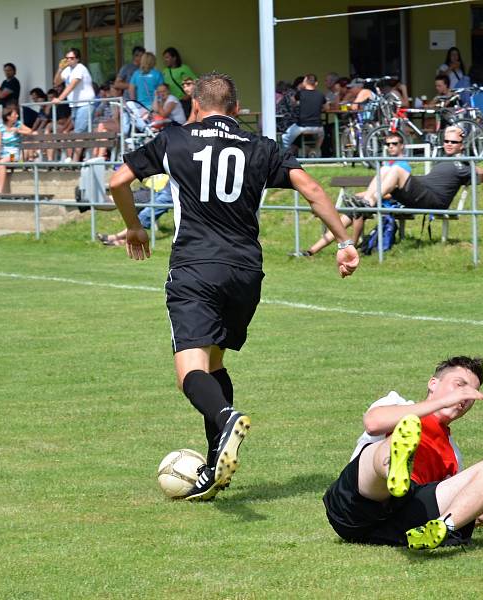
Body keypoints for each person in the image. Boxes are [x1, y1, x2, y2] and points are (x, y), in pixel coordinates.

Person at [108, 72, 360, 501]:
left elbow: (117, 180)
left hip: (195, 267)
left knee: (189, 372)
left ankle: (225, 418)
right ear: (237, 108)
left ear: (197, 104)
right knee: (214, 364)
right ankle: (213, 467)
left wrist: (134, 227)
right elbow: (312, 189)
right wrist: (345, 241)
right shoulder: (260, 147)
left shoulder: (174, 139)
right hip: (245, 272)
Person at [323, 356, 483, 549]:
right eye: (460, 385)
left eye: (471, 393)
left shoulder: (454, 456)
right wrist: (442, 402)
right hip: (358, 503)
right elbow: (373, 424)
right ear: (433, 383)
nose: (465, 397)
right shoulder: (397, 404)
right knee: (398, 435)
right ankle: (394, 470)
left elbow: (437, 500)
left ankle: (443, 527)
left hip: (401, 522)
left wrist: (478, 516)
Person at [302, 131, 411, 255]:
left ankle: (352, 247)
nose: (390, 146)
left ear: (402, 145)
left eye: (394, 143)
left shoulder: (402, 166)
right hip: (374, 202)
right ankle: (311, 251)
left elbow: (394, 193)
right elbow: (377, 189)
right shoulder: (386, 164)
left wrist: (364, 196)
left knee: (357, 208)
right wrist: (363, 195)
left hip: (389, 203)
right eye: (388, 144)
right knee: (341, 221)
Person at [345, 125, 483, 212]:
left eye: (454, 142)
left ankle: (369, 202)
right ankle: (367, 200)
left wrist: (472, 164)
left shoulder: (463, 164)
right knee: (384, 169)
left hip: (433, 201)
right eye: (446, 141)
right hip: (420, 194)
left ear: (462, 145)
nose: (449, 144)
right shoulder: (441, 159)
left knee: (396, 169)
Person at [97, 175, 173, 245]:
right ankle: (123, 239)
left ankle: (116, 237)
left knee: (145, 214)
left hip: (165, 191)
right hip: (161, 189)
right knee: (141, 211)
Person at [54, 48, 95, 161]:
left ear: (77, 59)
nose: (69, 60)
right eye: (67, 58)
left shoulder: (80, 68)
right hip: (75, 105)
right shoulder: (67, 70)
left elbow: (72, 85)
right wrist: (60, 69)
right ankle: (78, 158)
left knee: (79, 133)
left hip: (85, 104)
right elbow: (56, 82)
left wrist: (59, 99)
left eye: (71, 58)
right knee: (77, 132)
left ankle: (74, 161)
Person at [0, 106, 33, 194]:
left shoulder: (18, 124)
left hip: (13, 155)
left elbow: (30, 131)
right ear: (8, 117)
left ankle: (0, 192)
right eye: (15, 114)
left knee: (2, 163)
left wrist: (18, 130)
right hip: (2, 153)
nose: (17, 116)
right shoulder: (0, 128)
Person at [281, 73, 326, 156]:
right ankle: (315, 150)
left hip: (302, 126)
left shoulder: (300, 93)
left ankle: (285, 157)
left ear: (305, 82)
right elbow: (325, 107)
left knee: (285, 138)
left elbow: (293, 102)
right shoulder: (321, 94)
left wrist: (299, 103)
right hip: (318, 127)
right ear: (316, 83)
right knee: (322, 135)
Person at [162, 46, 196, 118]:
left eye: (167, 57)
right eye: (164, 58)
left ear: (174, 58)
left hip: (183, 101)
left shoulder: (183, 69)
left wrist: (187, 96)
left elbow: (195, 82)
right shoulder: (165, 71)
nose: (165, 60)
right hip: (171, 102)